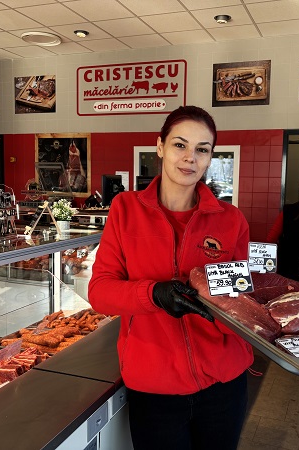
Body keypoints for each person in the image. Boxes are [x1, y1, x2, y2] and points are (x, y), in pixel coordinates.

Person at [88, 106, 252, 450]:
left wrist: (232, 315)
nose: (190, 157)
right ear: (160, 147)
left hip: (223, 383)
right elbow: (100, 292)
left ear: (210, 158)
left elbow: (241, 296)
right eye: (180, 145)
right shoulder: (125, 209)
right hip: (155, 387)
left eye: (202, 149)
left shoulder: (231, 219)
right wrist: (153, 295)